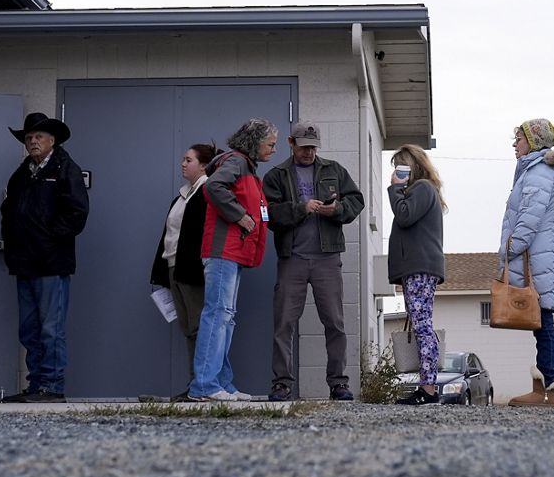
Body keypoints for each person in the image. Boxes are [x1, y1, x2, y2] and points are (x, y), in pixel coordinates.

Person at [263, 121, 365, 402]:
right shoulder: (276, 175)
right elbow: (267, 214)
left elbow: (357, 201)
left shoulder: (334, 170)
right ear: (291, 144)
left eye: (313, 147)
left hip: (327, 258)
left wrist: (337, 210)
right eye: (304, 147)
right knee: (283, 323)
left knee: (335, 322)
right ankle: (281, 384)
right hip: (292, 258)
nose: (309, 152)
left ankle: (338, 384)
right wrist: (300, 208)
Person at [0, 112, 89, 403]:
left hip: (51, 263)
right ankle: (36, 384)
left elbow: (76, 215)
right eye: (28, 137)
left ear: (52, 141)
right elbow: (8, 213)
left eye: (38, 136)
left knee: (51, 329)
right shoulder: (21, 174)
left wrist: (47, 239)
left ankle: (52, 386)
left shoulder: (66, 169)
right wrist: (13, 247)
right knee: (29, 329)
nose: (32, 141)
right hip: (24, 263)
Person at [189, 118, 278, 402]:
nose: (273, 150)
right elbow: (213, 187)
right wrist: (240, 216)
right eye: (271, 144)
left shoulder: (247, 168)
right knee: (217, 315)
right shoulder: (236, 163)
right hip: (222, 252)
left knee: (225, 318)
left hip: (233, 254)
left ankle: (221, 383)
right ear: (255, 142)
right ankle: (204, 386)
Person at [502, 119, 554, 407]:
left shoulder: (539, 173)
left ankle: (547, 389)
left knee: (543, 321)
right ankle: (545, 387)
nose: (514, 144)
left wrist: (511, 247)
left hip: (535, 259)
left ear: (533, 142)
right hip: (538, 258)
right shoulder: (536, 171)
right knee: (540, 321)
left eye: (519, 138)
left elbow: (529, 218)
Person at [148, 143, 217, 396]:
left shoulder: (208, 192)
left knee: (199, 326)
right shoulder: (180, 197)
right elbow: (169, 235)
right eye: (183, 159)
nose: (183, 164)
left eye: (189, 160)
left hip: (192, 269)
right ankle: (195, 384)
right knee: (188, 328)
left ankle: (204, 385)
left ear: (203, 165)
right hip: (173, 267)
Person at [387, 144, 447, 406]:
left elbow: (404, 216)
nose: (397, 173)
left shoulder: (422, 189)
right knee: (423, 324)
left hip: (420, 268)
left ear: (411, 167)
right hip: (418, 267)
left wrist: (395, 188)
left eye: (401, 167)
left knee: (423, 326)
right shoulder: (422, 190)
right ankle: (428, 386)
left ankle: (429, 389)